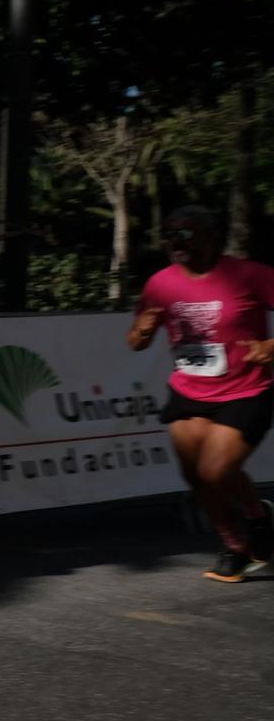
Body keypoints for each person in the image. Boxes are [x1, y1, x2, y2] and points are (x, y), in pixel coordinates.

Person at [128, 205, 274, 584]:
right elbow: (136, 342)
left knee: (216, 470)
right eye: (170, 234)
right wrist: (142, 330)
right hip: (190, 391)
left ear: (212, 238)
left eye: (187, 235)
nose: (177, 242)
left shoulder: (250, 275)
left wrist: (270, 347)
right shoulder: (160, 283)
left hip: (247, 389)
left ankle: (258, 517)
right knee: (195, 477)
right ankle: (236, 545)